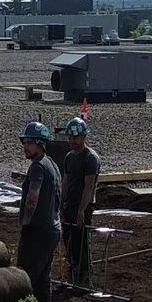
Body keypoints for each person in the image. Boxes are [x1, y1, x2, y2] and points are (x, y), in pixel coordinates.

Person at [16, 121, 64, 302]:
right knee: (43, 277)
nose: (25, 147)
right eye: (24, 142)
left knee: (25, 277)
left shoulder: (37, 167)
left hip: (38, 230)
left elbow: (32, 198)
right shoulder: (52, 164)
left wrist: (25, 223)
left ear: (39, 143)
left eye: (28, 142)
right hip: (53, 229)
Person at [59, 116, 101, 288]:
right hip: (70, 205)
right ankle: (72, 272)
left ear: (84, 137)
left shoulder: (90, 158)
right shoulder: (69, 157)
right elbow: (66, 182)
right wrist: (62, 203)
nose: (72, 142)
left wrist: (81, 211)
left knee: (81, 240)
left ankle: (84, 278)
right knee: (68, 239)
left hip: (83, 206)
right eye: (70, 138)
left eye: (75, 138)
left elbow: (88, 187)